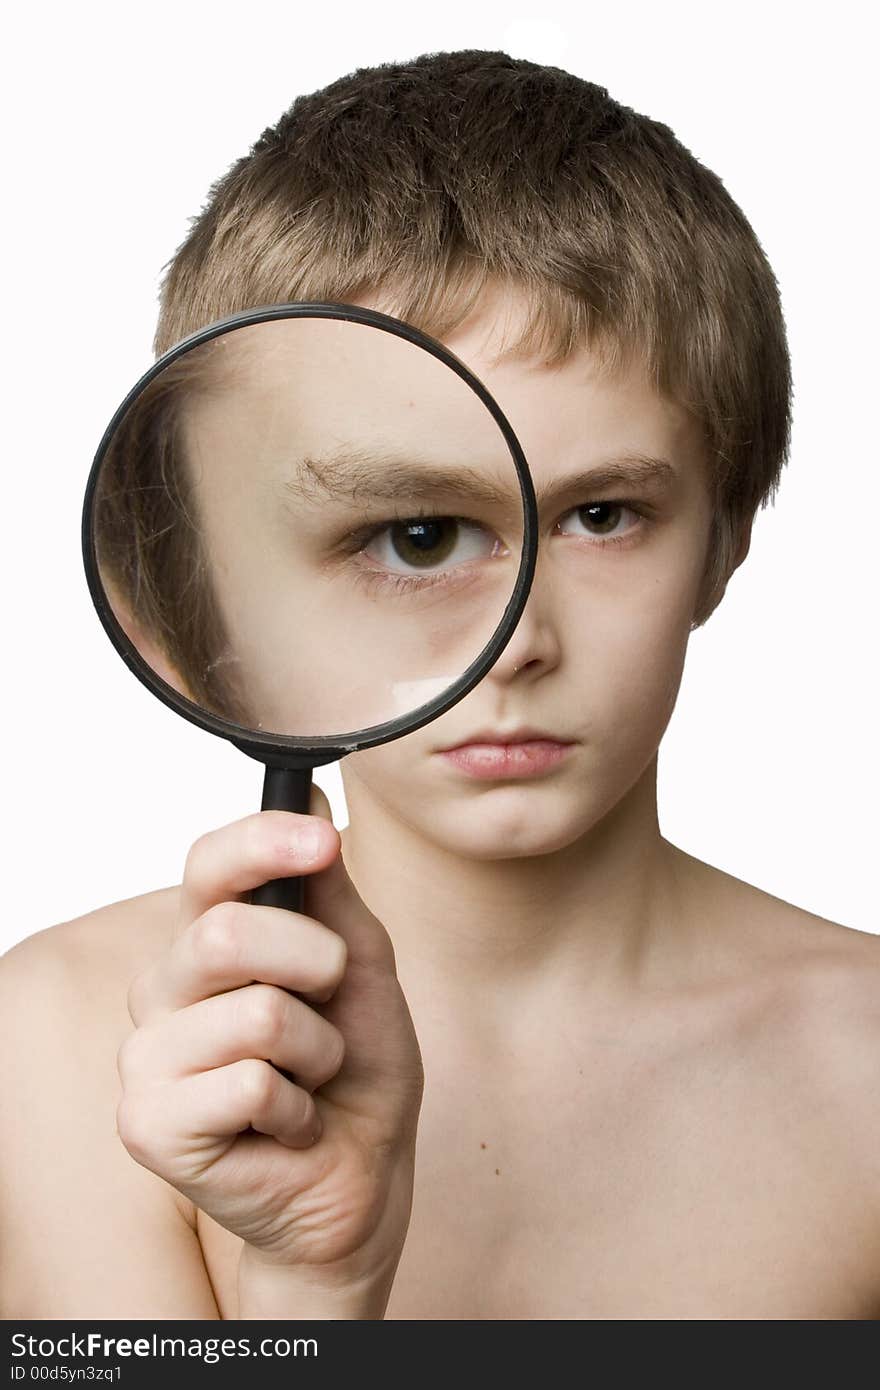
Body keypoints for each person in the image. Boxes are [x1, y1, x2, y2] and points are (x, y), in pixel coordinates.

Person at [2, 49, 878, 1322]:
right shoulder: (59, 1048)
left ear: (727, 535)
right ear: (214, 597)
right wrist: (314, 1280)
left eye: (602, 514)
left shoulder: (861, 1072)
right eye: (417, 536)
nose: (517, 641)